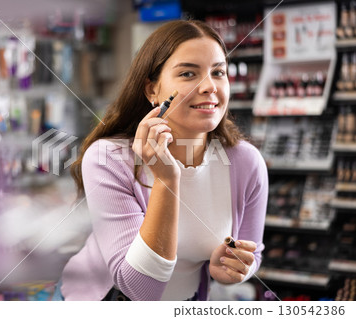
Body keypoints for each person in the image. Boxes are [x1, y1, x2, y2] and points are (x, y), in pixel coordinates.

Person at [55, 19, 268, 301]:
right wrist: (167, 179)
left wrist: (234, 266)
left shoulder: (246, 161)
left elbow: (253, 254)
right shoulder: (109, 159)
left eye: (218, 72)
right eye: (188, 74)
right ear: (152, 90)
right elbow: (139, 288)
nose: (210, 86)